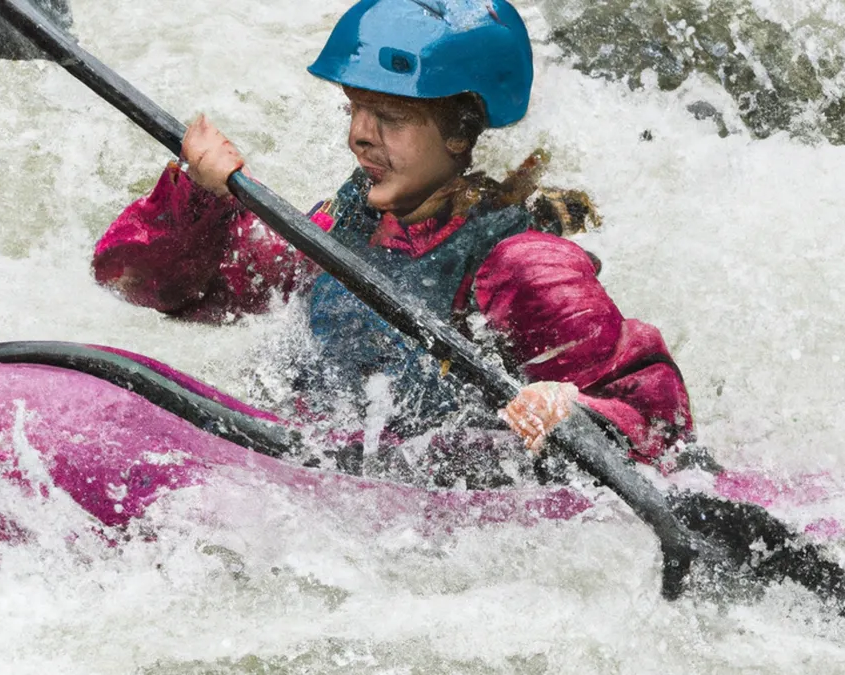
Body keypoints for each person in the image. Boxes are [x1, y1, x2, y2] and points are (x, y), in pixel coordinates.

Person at [92, 0, 693, 486]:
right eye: (355, 109)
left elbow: (658, 421)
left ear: (460, 133)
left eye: (392, 117)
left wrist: (574, 413)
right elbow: (154, 289)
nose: (359, 136)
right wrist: (198, 199)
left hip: (421, 505)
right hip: (305, 463)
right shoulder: (342, 226)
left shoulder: (524, 266)